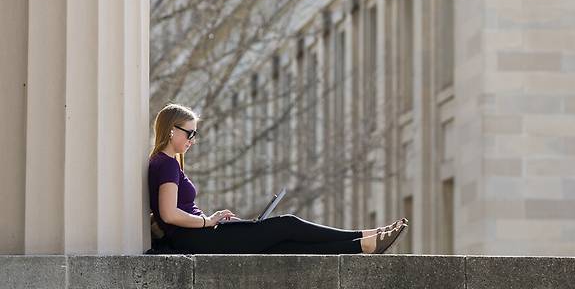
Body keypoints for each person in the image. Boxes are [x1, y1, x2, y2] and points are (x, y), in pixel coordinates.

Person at [148, 103, 408, 254]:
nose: (193, 140)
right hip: (195, 238)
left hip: (199, 235)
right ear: (172, 131)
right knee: (287, 225)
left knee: (282, 243)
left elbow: (176, 212)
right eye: (190, 134)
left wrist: (216, 220)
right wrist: (208, 221)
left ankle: (363, 244)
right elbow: (169, 214)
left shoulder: (168, 163)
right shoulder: (166, 164)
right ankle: (362, 237)